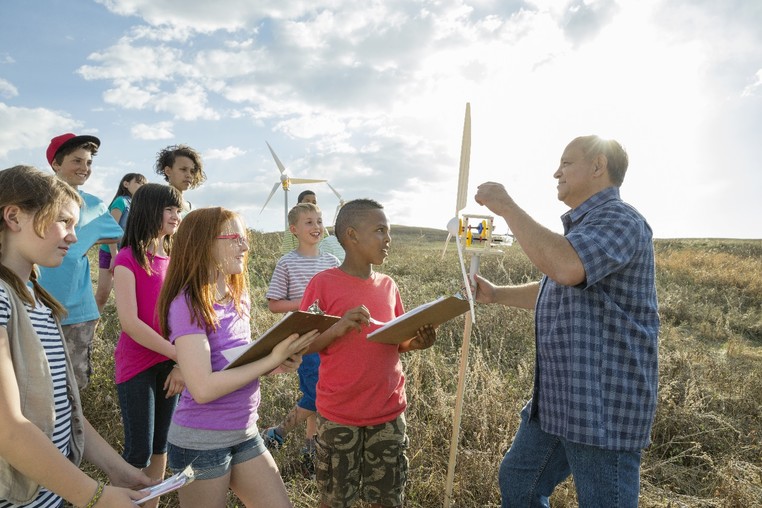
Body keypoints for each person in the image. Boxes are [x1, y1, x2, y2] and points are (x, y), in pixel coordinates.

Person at [472, 135, 659, 507]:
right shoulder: (584, 228)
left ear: (598, 166)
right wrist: (496, 294)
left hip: (600, 401)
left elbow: (566, 267)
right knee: (520, 481)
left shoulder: (620, 219)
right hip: (560, 397)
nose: (556, 172)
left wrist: (507, 206)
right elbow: (557, 285)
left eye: (566, 163)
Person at [0, 165, 155, 508]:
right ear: (14, 217)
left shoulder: (38, 301)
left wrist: (117, 470)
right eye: (64, 222)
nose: (73, 237)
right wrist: (94, 495)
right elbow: (8, 429)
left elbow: (62, 408)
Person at [157, 207, 319, 508]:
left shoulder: (237, 295)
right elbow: (203, 388)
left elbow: (235, 364)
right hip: (200, 442)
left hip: (245, 432)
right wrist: (270, 359)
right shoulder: (186, 304)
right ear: (204, 244)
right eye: (235, 238)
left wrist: (278, 363)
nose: (245, 246)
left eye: (245, 239)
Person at [300, 198, 436, 508]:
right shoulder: (323, 284)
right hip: (339, 417)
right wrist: (338, 328)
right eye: (380, 230)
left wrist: (416, 342)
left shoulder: (388, 285)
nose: (388, 239)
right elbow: (303, 344)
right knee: (336, 499)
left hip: (388, 414)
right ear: (351, 235)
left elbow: (396, 341)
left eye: (388, 231)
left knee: (388, 498)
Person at [112, 183, 185, 508]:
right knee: (138, 450)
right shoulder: (127, 259)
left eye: (177, 210)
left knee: (161, 446)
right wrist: (176, 354)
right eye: (169, 209)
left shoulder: (174, 261)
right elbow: (130, 323)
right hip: (137, 367)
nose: (176, 215)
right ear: (149, 212)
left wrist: (181, 364)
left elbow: (185, 319)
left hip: (171, 366)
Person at [38, 133, 124, 389]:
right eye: (77, 161)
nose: (84, 169)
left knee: (73, 388)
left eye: (88, 163)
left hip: (77, 311)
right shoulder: (35, 199)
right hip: (34, 306)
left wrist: (83, 240)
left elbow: (116, 233)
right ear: (55, 164)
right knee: (35, 386)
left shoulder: (94, 204)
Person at [261, 202, 340, 477]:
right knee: (316, 393)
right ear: (294, 230)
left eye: (319, 221)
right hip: (304, 338)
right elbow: (273, 304)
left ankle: (310, 448)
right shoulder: (287, 262)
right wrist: (305, 303)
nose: (316, 226)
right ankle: (278, 431)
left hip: (331, 336)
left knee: (321, 391)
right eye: (308, 222)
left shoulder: (331, 262)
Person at [94, 172, 147, 313]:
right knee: (102, 295)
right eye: (139, 182)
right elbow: (112, 230)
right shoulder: (121, 201)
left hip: (127, 253)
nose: (142, 186)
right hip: (110, 252)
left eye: (144, 184)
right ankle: (89, 328)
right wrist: (114, 256)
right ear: (126, 184)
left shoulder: (139, 206)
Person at [281, 189, 345, 262]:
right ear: (298, 204)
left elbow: (328, 246)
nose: (311, 204)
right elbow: (286, 252)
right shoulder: (291, 231)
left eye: (314, 202)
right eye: (307, 201)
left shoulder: (322, 230)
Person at [154, 144, 206, 213]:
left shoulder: (192, 209)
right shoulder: (156, 203)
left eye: (192, 171)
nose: (189, 175)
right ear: (168, 171)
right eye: (183, 169)